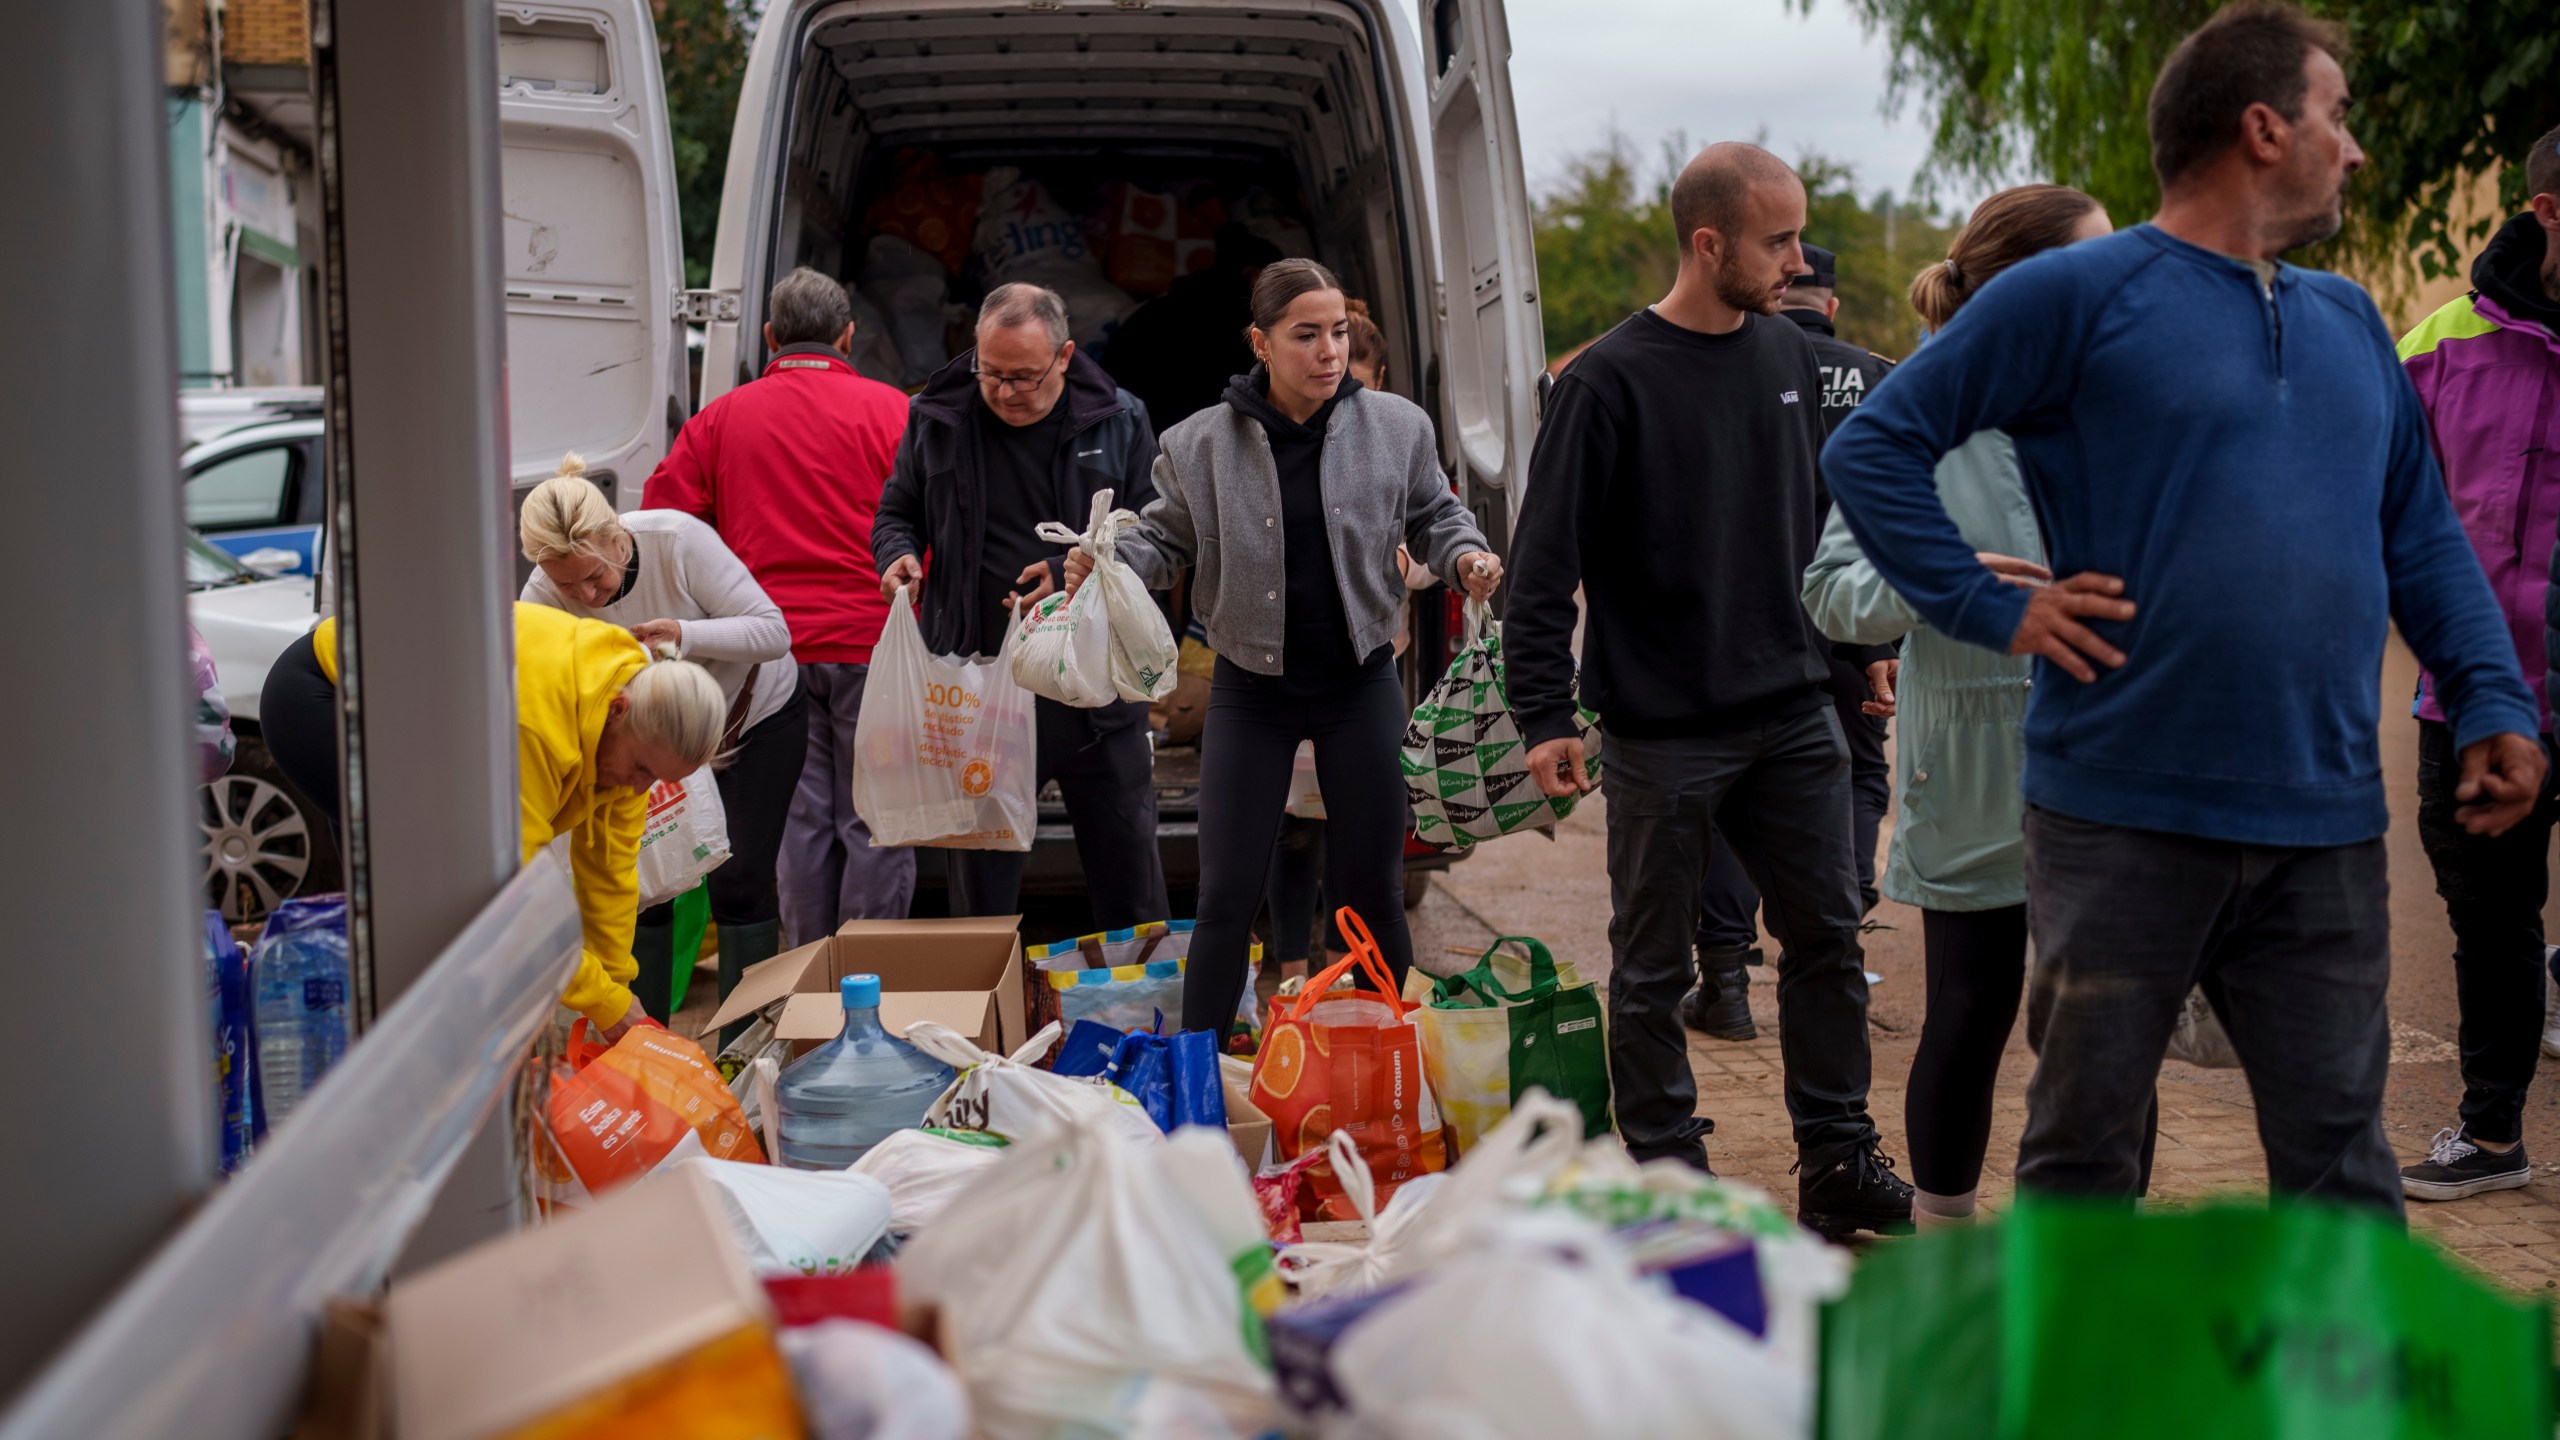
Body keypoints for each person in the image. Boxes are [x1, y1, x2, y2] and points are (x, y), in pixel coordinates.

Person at [1822, 2, 2545, 1217]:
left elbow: (2418, 530)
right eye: (2337, 117)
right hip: (2119, 816)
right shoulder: (2073, 296)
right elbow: (1877, 449)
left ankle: (2331, 1402)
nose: (2353, 148)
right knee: (2087, 1155)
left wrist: (2488, 693)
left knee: (2339, 1162)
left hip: (2321, 822)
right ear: (2262, 128)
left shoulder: (2347, 323)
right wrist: (1977, 603)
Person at [1506, 141, 1912, 1237]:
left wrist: (1854, 648)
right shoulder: (1603, 381)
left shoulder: (1782, 353)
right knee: (1650, 965)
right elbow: (1542, 566)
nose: (1794, 261)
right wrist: (1544, 712)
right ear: (1708, 242)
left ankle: (1837, 1159)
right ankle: (1668, 1174)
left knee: (1828, 938)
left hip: (1790, 712)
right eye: (1776, 240)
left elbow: (1807, 538)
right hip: (1661, 728)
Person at [1068, 258, 1500, 1039]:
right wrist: (1104, 562)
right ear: (1261, 344)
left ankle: (1388, 1062)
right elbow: (1163, 540)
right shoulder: (1199, 442)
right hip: (1251, 691)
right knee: (1228, 895)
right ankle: (1198, 1074)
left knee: (1370, 890)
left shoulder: (1398, 427)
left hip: (1360, 684)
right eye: (1307, 335)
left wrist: (1466, 554)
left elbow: (1435, 512)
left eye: (1337, 332)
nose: (1329, 350)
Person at [1801, 184, 2113, 1230]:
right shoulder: (1921, 407)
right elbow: (1832, 593)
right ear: (2026, 284)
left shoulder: (2121, 393)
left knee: (2105, 1032)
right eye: (2094, 261)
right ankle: (1944, 1250)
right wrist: (1942, 577)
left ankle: (2087, 1269)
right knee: (1971, 1015)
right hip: (1971, 772)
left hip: (2111, 760)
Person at [260, 604, 728, 1038]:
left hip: (408, 712)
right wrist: (603, 1003)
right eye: (642, 771)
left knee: (416, 914)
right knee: (414, 892)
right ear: (618, 711)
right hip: (325, 695)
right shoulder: (535, 729)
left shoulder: (632, 725)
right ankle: (382, 1057)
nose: (638, 790)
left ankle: (407, 1043)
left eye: (657, 780)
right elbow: (510, 900)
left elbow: (610, 872)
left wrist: (617, 991)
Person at [871, 283, 1171, 932]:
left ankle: (1146, 1020)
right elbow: (898, 510)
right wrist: (898, 557)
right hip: (980, 695)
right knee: (979, 894)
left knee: (1131, 883)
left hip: (1096, 696)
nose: (1006, 392)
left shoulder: (1119, 418)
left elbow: (1158, 532)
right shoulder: (935, 418)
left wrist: (1090, 568)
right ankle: (987, 1029)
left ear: (1064, 356)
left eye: (1025, 377)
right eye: (992, 373)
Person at [643, 267, 913, 944]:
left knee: (802, 820)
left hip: (769, 661)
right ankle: (869, 989)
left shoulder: (718, 421)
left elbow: (660, 524)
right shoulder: (896, 412)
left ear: (770, 336)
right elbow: (938, 523)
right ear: (848, 336)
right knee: (877, 818)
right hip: (873, 644)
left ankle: (809, 987)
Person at [2392, 121, 2560, 1203]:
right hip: (2476, 693)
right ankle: (2491, 1132)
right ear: (2548, 210)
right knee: (2489, 920)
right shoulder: (2437, 343)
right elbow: (2382, 513)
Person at [1686, 242, 1900, 1043]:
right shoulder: (1876, 374)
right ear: (1834, 303)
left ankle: (1727, 979)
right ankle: (1837, 932)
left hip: (1752, 613)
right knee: (1858, 768)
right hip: (1853, 610)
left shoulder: (1742, 359)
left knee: (1732, 791)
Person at [519, 456, 808, 1038]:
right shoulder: (543, 592)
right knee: (646, 887)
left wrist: (684, 633)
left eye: (594, 577)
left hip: (748, 719)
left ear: (616, 537)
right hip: (639, 741)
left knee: (742, 882)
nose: (585, 595)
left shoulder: (677, 541)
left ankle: (742, 1053)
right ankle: (640, 1041)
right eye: (566, 584)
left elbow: (774, 631)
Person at [1102, 223, 1286, 429]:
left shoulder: (1163, 306)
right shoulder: (1238, 323)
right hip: (1165, 430)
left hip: (1120, 423)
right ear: (1256, 275)